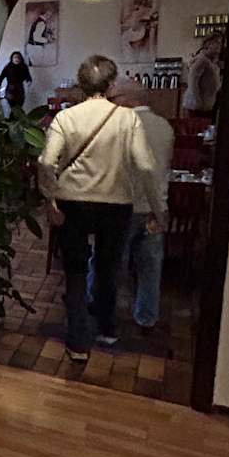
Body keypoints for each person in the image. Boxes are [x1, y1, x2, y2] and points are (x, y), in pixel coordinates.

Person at [38, 54, 166, 361]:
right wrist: (157, 208)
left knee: (75, 271)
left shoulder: (66, 118)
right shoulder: (127, 119)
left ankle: (77, 343)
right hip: (116, 203)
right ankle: (107, 330)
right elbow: (146, 166)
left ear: (81, 83)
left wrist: (50, 199)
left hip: (73, 202)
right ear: (111, 84)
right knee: (109, 269)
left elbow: (46, 162)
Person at [106, 78, 174, 329]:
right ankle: (146, 317)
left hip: (124, 207)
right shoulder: (165, 126)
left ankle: (105, 311)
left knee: (111, 264)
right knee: (150, 268)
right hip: (156, 209)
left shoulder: (120, 125)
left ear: (128, 99)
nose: (111, 103)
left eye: (114, 98)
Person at [184, 31, 224, 116]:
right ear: (208, 44)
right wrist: (199, 102)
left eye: (221, 43)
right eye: (217, 42)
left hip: (207, 105)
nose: (220, 46)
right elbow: (192, 81)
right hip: (198, 107)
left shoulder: (212, 62)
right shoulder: (202, 60)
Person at [0, 51, 33, 118]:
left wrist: (29, 81)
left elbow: (28, 77)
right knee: (13, 106)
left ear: (21, 59)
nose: (17, 59)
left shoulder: (23, 67)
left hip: (20, 89)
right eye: (15, 57)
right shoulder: (8, 67)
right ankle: (13, 118)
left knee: (19, 105)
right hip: (10, 89)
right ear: (12, 59)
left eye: (18, 58)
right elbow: (1, 77)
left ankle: (15, 119)